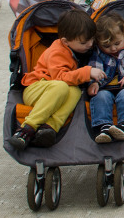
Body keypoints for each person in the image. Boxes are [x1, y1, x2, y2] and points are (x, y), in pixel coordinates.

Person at [9, 9, 102, 150]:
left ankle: (49, 128)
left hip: (55, 90)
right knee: (62, 86)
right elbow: (60, 77)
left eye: (91, 39)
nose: (90, 44)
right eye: (84, 42)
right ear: (65, 41)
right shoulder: (57, 51)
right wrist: (87, 72)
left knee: (75, 92)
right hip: (36, 88)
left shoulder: (78, 49)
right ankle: (27, 129)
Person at [87, 12, 124, 143]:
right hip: (106, 87)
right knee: (100, 97)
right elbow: (94, 67)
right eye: (107, 46)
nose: (113, 48)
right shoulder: (98, 51)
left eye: (117, 43)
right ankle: (104, 127)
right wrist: (94, 83)